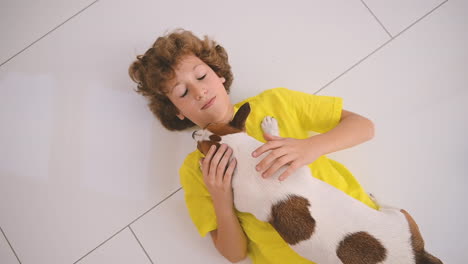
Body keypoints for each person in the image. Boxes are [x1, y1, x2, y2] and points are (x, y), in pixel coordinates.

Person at [128, 29, 378, 264]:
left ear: (219, 74)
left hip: (369, 237)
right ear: (177, 111)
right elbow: (234, 254)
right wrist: (221, 197)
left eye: (202, 76)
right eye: (182, 92)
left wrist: (309, 147)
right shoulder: (196, 169)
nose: (199, 92)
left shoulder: (276, 103)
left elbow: (364, 126)